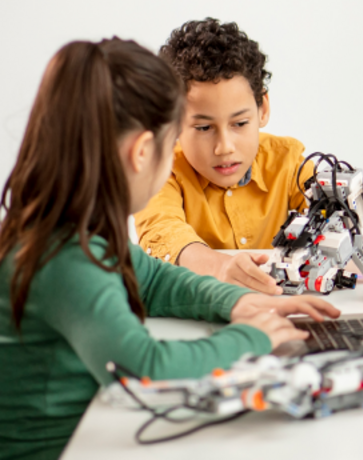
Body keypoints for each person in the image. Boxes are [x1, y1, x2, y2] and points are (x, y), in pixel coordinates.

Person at [0, 39, 340, 460]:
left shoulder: (77, 227)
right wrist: (249, 338)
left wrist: (240, 303)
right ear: (143, 152)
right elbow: (142, 368)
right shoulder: (67, 257)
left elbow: (156, 281)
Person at [135, 19, 363, 294]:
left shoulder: (287, 164)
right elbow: (162, 232)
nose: (224, 147)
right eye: (203, 128)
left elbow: (352, 210)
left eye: (239, 124)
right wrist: (220, 266)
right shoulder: (162, 172)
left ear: (263, 109)